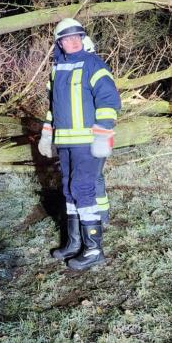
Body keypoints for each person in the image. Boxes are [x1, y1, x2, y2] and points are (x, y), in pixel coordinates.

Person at [38, 19, 120, 270]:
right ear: (59, 43)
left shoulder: (93, 65)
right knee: (68, 189)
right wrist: (46, 134)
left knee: (82, 187)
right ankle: (74, 244)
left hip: (88, 142)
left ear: (82, 39)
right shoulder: (57, 69)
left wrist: (102, 135)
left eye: (77, 37)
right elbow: (54, 107)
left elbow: (109, 100)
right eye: (67, 38)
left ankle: (94, 249)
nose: (72, 41)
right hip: (65, 143)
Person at [82, 34, 111, 225]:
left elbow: (107, 105)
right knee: (94, 178)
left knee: (93, 178)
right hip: (89, 135)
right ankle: (101, 217)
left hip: (95, 134)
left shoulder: (94, 70)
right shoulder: (95, 68)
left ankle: (99, 218)